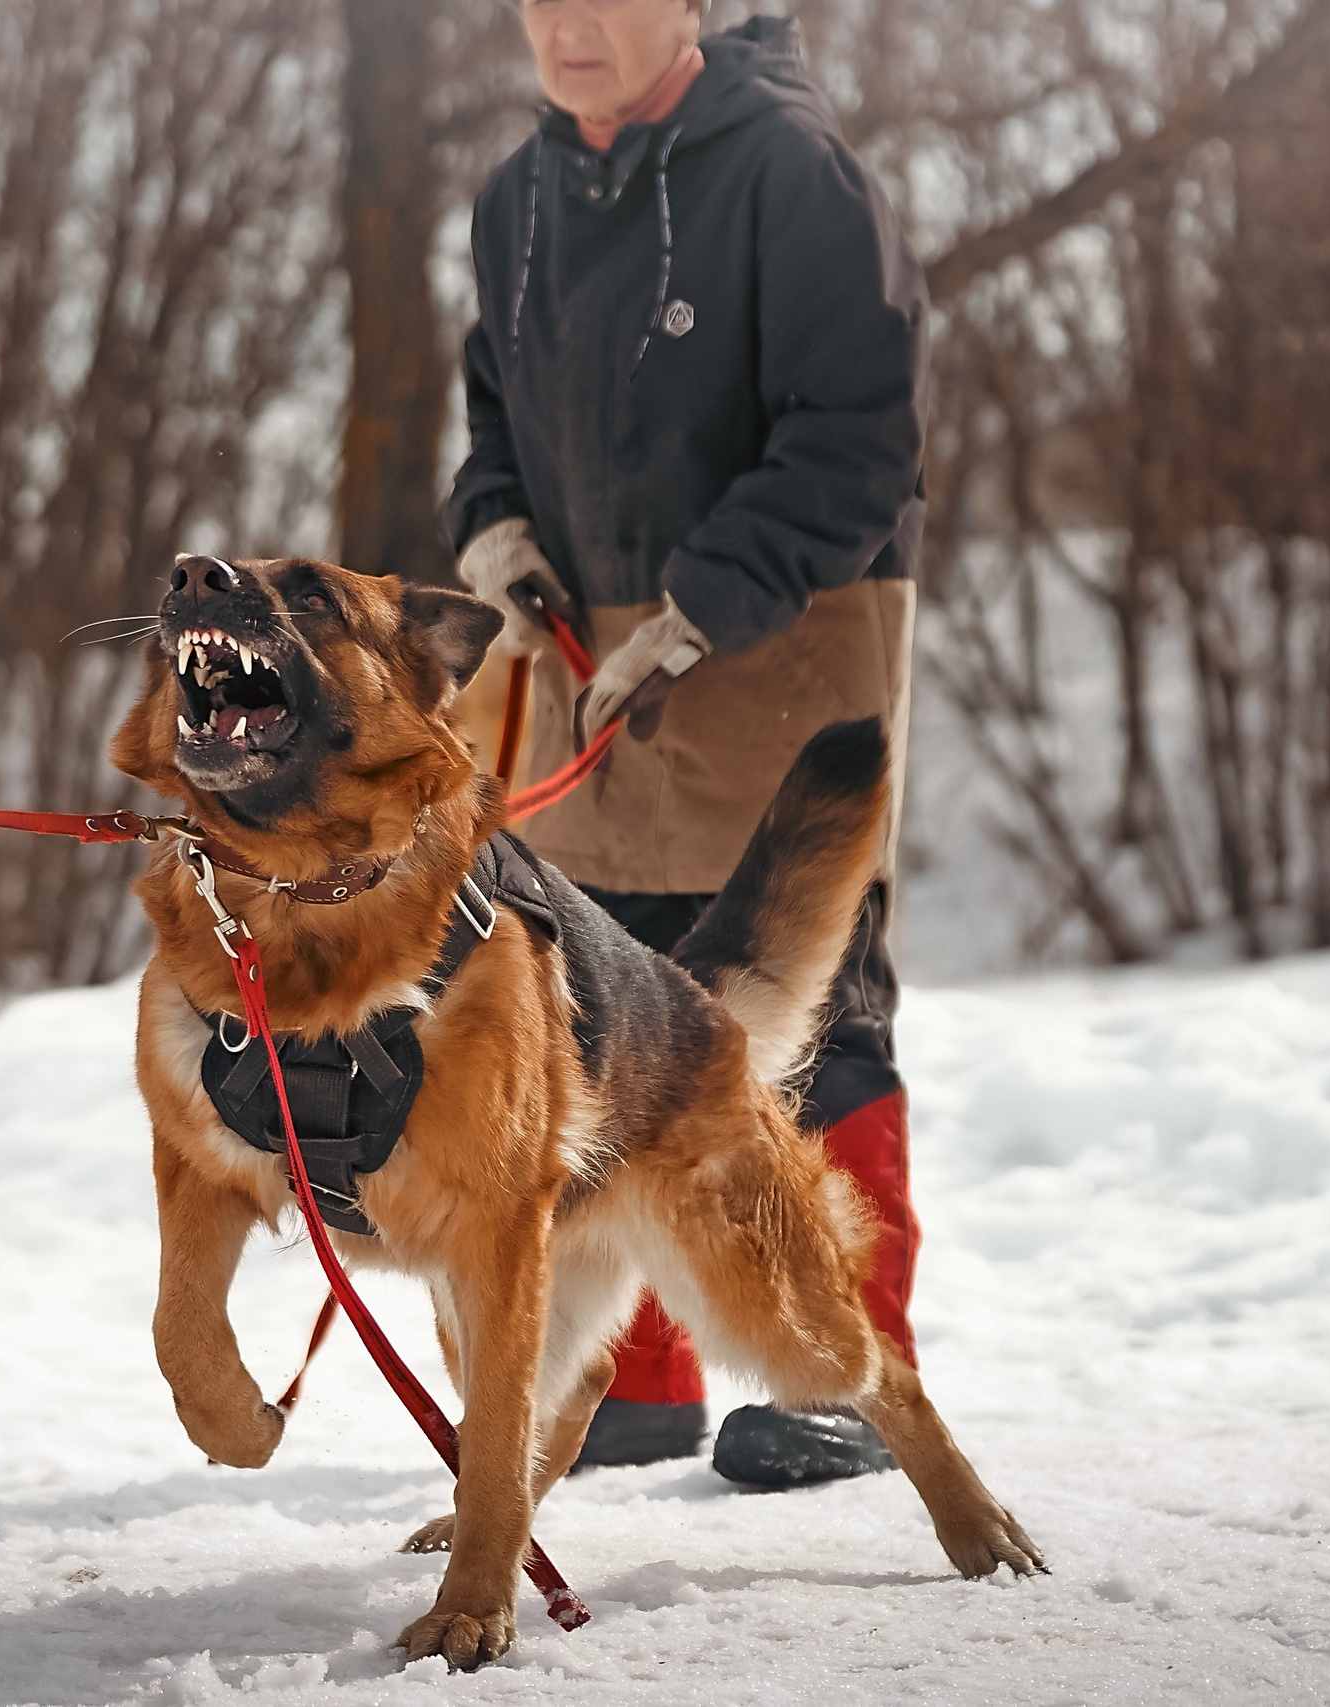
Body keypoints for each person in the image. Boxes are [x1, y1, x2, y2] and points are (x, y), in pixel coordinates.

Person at [442, 0, 927, 1488]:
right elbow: (492, 413)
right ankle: (624, 1380)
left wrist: (698, 607)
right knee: (598, 1011)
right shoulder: (512, 202)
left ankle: (852, 1368)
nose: (572, 26)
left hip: (779, 639)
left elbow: (859, 435)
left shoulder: (791, 166)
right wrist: (494, 527)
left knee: (804, 1008)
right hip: (589, 658)